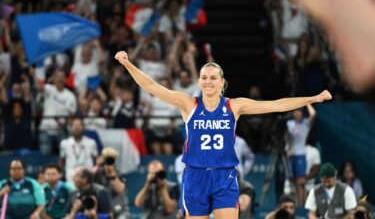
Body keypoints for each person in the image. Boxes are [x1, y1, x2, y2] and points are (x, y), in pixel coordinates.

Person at [114, 50, 332, 219]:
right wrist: (127, 64)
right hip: (195, 176)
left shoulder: (234, 106)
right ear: (199, 82)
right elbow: (151, 86)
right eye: (204, 77)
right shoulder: (188, 104)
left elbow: (276, 105)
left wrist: (312, 99)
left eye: (213, 78)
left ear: (221, 82)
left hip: (224, 176)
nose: (208, 81)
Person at [286, 104, 316, 206]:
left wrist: (307, 102)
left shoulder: (306, 124)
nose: (297, 113)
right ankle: (297, 205)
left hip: (300, 156)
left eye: (299, 111)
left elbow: (313, 114)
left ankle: (302, 208)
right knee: (294, 183)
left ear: (302, 113)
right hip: (291, 156)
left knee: (301, 183)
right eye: (295, 111)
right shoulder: (289, 123)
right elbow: (287, 139)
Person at [94, 147, 130, 219]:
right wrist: (97, 166)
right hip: (103, 210)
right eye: (107, 158)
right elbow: (87, 178)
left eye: (112, 158)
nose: (109, 161)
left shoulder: (119, 172)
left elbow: (120, 189)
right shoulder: (97, 172)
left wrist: (113, 176)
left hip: (119, 209)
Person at [59, 118, 98, 183]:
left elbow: (97, 162)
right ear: (70, 128)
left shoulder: (91, 142)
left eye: (79, 125)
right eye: (74, 125)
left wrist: (94, 171)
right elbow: (62, 161)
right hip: (71, 177)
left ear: (83, 127)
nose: (77, 127)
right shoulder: (64, 143)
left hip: (87, 177)